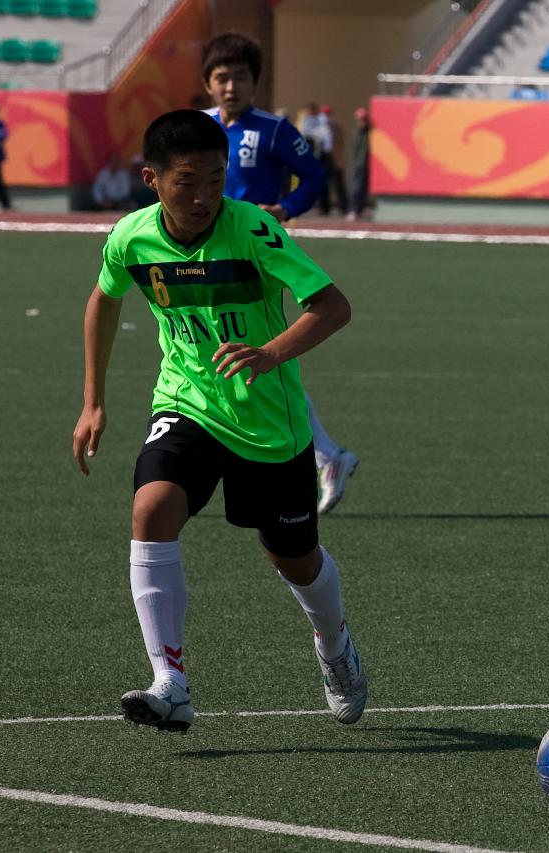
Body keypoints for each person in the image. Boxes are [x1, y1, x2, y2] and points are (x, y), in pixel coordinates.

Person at [71, 109, 368, 733]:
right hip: (187, 404)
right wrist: (93, 400)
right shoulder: (131, 238)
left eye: (215, 177)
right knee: (151, 509)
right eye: (187, 181)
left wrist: (270, 354)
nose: (205, 195)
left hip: (267, 421)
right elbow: (103, 298)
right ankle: (170, 681)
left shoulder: (253, 229)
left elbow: (332, 306)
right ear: (152, 179)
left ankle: (334, 643)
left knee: (294, 557)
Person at [201, 31, 359, 512]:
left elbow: (313, 177)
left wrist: (285, 209)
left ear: (255, 82)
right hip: (207, 255)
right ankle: (321, 455)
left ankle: (322, 455)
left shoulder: (272, 130)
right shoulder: (200, 128)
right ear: (208, 83)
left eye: (241, 77)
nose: (232, 87)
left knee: (254, 352)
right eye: (222, 78)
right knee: (225, 353)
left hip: (256, 254)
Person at [345, 107, 372, 222]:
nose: (362, 122)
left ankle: (359, 209)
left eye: (364, 120)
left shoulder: (370, 133)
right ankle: (354, 210)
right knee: (355, 189)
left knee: (362, 189)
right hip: (357, 165)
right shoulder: (356, 132)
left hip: (366, 165)